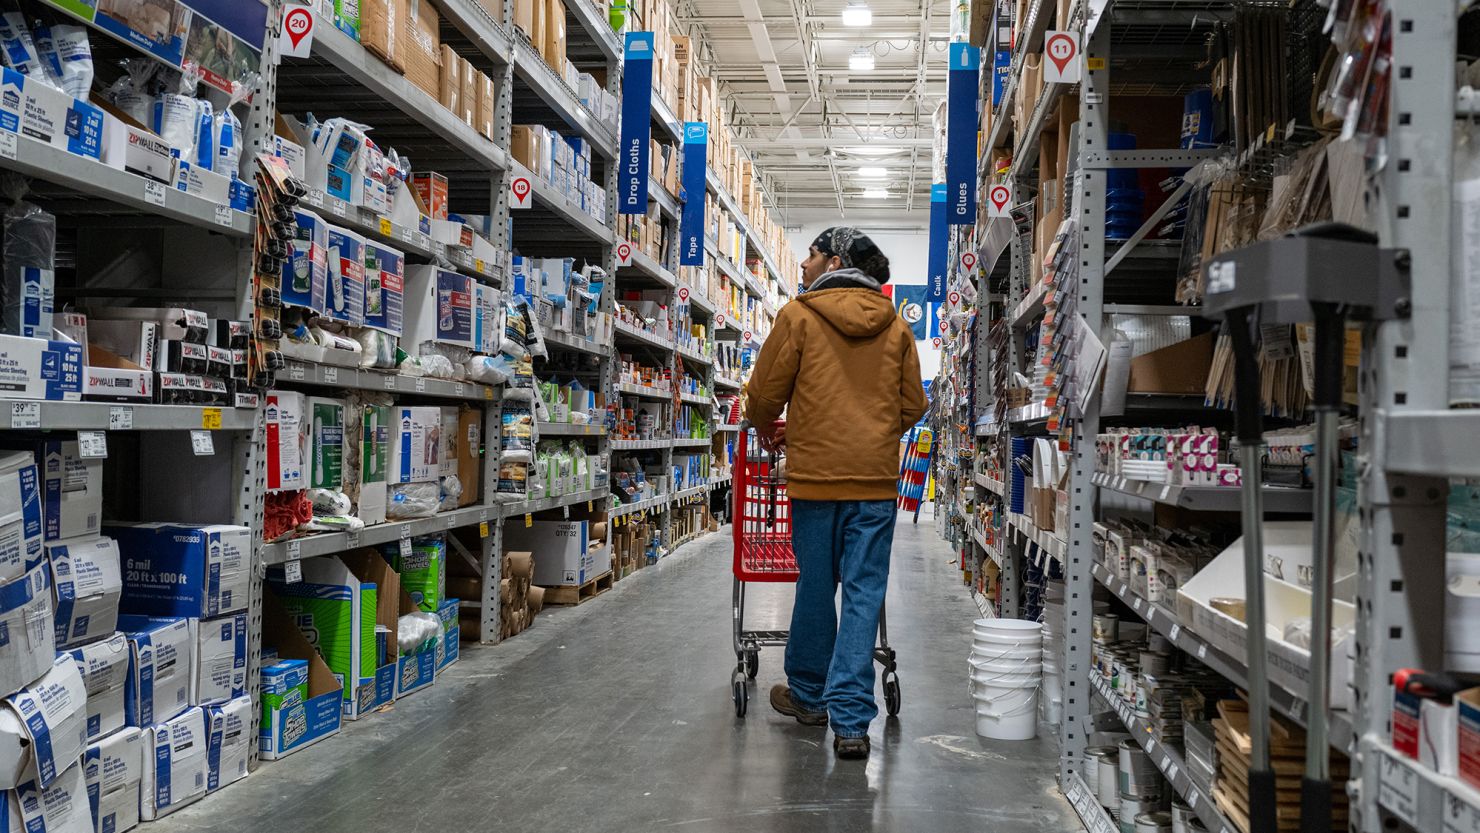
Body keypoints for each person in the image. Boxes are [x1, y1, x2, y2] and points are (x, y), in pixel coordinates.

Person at [743, 227, 928, 760]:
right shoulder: (895, 325)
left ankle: (808, 696)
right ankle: (851, 722)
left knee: (817, 585)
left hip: (814, 479)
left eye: (811, 254)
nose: (803, 263)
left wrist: (763, 423)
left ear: (834, 261)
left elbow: (763, 395)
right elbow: (913, 404)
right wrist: (872, 432)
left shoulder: (798, 316)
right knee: (865, 593)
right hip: (872, 482)